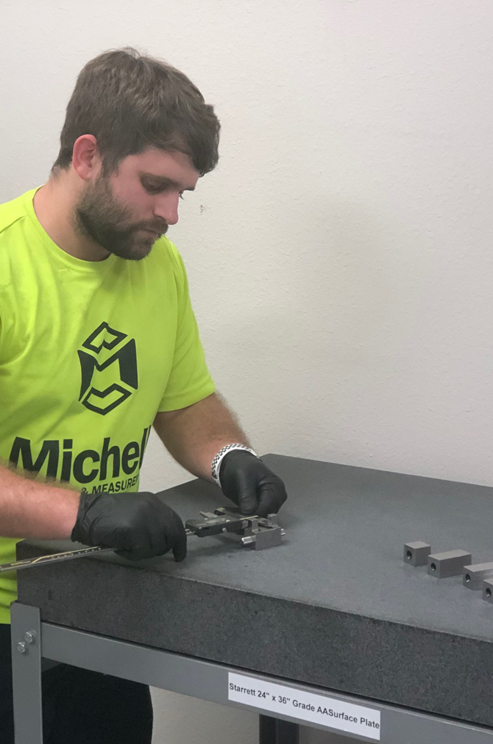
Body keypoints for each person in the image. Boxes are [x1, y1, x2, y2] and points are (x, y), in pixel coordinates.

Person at [0, 46, 288, 743]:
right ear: (90, 155)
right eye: (156, 185)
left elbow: (183, 400)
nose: (172, 214)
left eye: (183, 192)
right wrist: (85, 512)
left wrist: (227, 458)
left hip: (105, 609)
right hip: (10, 621)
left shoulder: (156, 265)